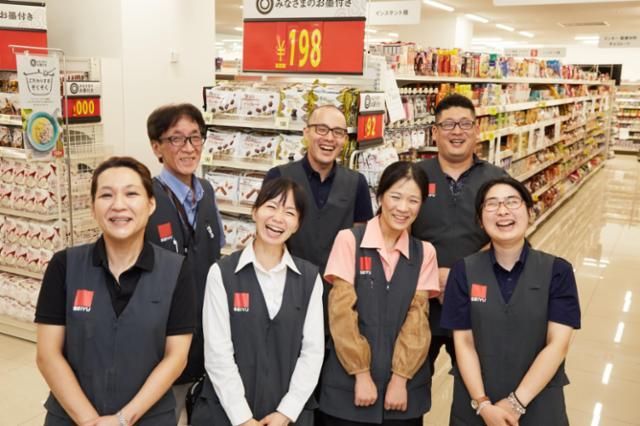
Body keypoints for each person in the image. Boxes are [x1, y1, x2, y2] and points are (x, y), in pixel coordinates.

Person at [35, 156, 195, 425]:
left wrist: (122, 419)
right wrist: (89, 420)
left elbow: (176, 357)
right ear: (92, 207)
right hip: (72, 417)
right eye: (106, 195)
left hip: (148, 417)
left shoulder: (176, 270)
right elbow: (48, 355)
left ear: (151, 204)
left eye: (131, 194)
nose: (118, 205)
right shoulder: (65, 265)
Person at [441, 176, 581, 426]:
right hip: (475, 404)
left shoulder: (557, 271)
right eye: (492, 204)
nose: (503, 210)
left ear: (529, 211)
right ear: (480, 220)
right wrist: (483, 404)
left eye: (512, 202)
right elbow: (463, 342)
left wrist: (516, 403)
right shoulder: (463, 271)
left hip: (538, 402)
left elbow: (557, 345)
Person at [191, 177, 325, 426]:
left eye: (289, 212)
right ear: (254, 211)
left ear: (297, 224)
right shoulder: (222, 273)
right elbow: (217, 353)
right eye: (271, 206)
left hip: (288, 417)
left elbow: (312, 352)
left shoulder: (309, 278)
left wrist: (287, 412)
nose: (278, 218)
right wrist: (243, 418)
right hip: (225, 414)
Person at [318, 161, 440, 425]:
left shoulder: (424, 253)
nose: (403, 208)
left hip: (403, 393)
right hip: (348, 388)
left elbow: (417, 320)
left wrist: (400, 379)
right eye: (396, 197)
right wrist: (361, 373)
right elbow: (341, 313)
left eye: (413, 200)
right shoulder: (349, 240)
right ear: (380, 196)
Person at [411, 93, 507, 378]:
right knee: (411, 381)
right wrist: (433, 274)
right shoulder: (414, 175)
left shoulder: (496, 179)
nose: (457, 131)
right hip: (419, 301)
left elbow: (508, 236)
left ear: (476, 130)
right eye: (448, 124)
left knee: (476, 381)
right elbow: (393, 230)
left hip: (475, 300)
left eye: (465, 124)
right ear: (435, 131)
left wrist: (459, 275)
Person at [144, 103, 225, 422]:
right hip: (161, 334)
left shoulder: (207, 192)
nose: (189, 147)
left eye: (195, 137)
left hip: (204, 328)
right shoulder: (147, 198)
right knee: (163, 411)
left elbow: (215, 250)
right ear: (157, 147)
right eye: (176, 139)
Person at [264, 104, 373, 275]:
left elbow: (360, 241)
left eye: (338, 132)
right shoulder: (279, 176)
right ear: (306, 133)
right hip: (287, 281)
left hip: (336, 284)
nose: (329, 138)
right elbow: (265, 236)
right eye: (321, 129)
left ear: (345, 139)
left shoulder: (357, 183)